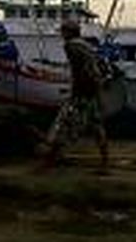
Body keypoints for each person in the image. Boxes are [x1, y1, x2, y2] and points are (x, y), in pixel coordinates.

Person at [44, 20, 109, 171]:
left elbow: (79, 71)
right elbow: (93, 69)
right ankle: (105, 162)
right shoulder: (85, 45)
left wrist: (75, 92)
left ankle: (49, 163)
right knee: (97, 127)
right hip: (92, 91)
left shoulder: (71, 46)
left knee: (63, 125)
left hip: (81, 93)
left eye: (63, 31)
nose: (61, 35)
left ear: (68, 32)